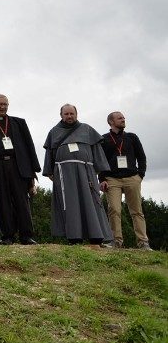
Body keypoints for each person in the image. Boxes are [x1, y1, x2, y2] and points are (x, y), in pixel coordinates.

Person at [42, 104, 113, 246]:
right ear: (61, 115)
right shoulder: (54, 132)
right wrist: (49, 171)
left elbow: (98, 153)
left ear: (76, 114)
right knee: (70, 203)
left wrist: (100, 173)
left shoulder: (87, 130)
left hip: (86, 172)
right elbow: (49, 154)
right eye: (66, 114)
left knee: (91, 202)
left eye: (71, 113)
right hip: (64, 174)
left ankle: (96, 237)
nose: (69, 116)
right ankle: (74, 238)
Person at [0, 94, 40, 245]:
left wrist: (33, 171)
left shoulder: (19, 123)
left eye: (5, 104)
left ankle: (26, 235)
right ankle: (7, 236)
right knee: (3, 202)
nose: (2, 107)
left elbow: (29, 146)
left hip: (18, 166)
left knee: (22, 201)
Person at [98, 111, 151, 250]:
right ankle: (116, 241)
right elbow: (101, 161)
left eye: (123, 117)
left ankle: (143, 242)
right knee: (114, 210)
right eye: (119, 118)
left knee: (136, 211)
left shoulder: (132, 137)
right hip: (112, 180)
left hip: (132, 178)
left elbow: (142, 157)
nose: (123, 119)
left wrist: (140, 175)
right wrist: (102, 179)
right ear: (111, 122)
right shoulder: (103, 139)